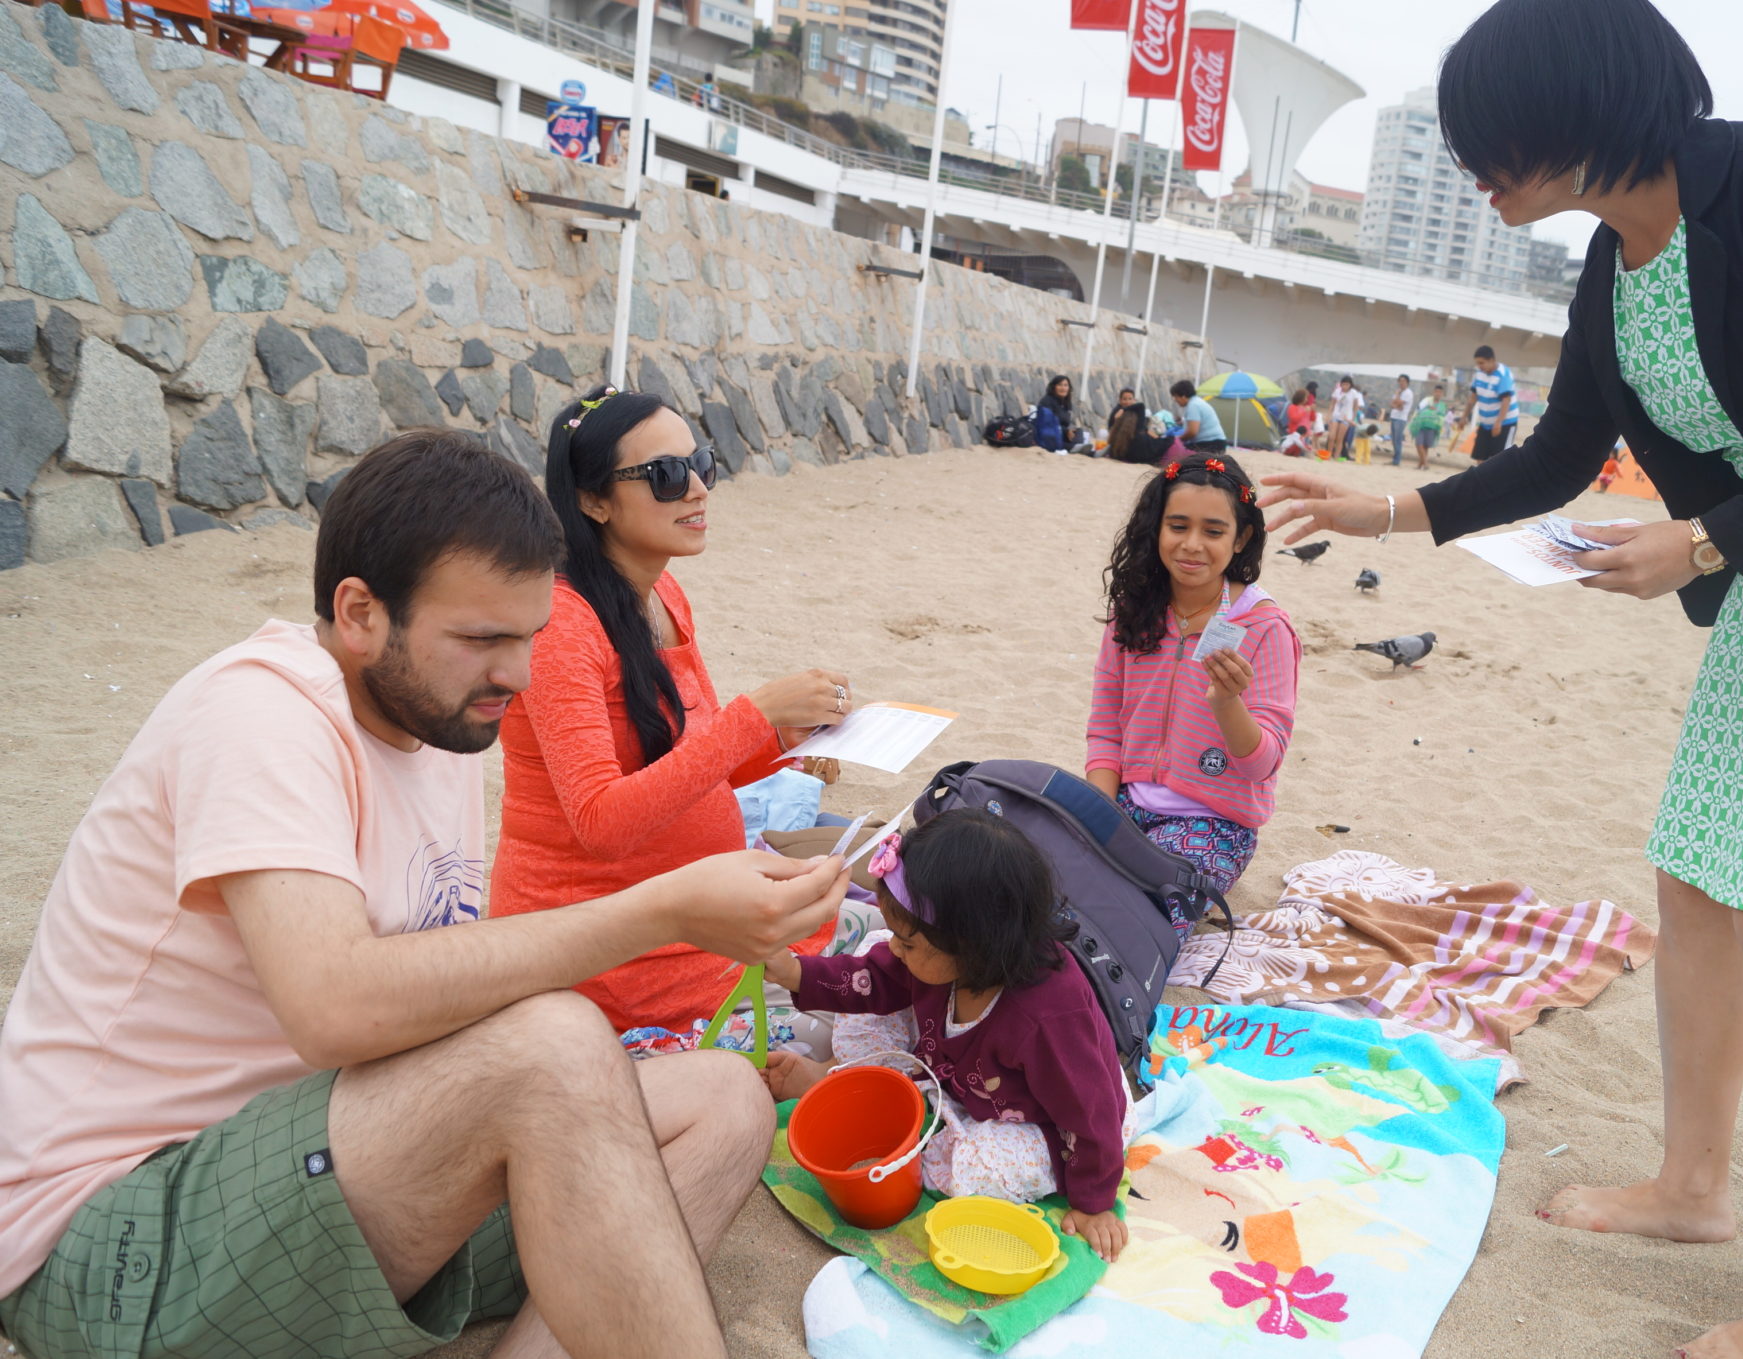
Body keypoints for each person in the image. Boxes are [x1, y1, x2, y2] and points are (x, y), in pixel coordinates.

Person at [1260, 2, 1743, 1353]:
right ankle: (1695, 1186)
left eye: (1489, 143)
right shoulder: (1616, 261)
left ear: (1581, 105)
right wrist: (1383, 508)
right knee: (1696, 873)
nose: (1475, 172)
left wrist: (1701, 536)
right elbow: (1563, 451)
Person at [0, 431, 852, 1359]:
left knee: (724, 1100)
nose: (517, 676)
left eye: (529, 636)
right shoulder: (260, 714)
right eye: (483, 638)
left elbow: (441, 1003)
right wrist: (663, 911)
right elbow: (334, 1005)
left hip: (330, 1174)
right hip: (117, 1243)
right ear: (360, 612)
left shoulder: (434, 722)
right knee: (555, 1047)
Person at [490, 385, 854, 1034]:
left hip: (690, 917)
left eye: (701, 464)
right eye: (665, 475)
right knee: (869, 1001)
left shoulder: (663, 595)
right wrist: (753, 716)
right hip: (618, 957)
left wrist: (782, 739)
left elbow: (687, 762)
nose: (697, 489)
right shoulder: (563, 625)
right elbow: (601, 821)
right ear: (593, 499)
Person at [760, 811, 1131, 1262]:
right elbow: (876, 977)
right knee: (869, 966)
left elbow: (1088, 1112)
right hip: (954, 1072)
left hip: (1048, 1120)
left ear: (973, 944)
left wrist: (1094, 1203)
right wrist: (795, 973)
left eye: (909, 943)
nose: (896, 947)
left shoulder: (1050, 1018)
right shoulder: (946, 956)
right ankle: (864, 1086)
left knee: (974, 1170)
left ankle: (891, 1105)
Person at [1088, 454, 1301, 916]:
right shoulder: (1134, 612)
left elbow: (1262, 765)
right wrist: (1097, 816)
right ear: (1156, 527)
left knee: (1140, 912)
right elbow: (1106, 727)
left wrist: (1227, 703)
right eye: (1178, 526)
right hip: (1125, 806)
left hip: (1215, 825)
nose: (1192, 545)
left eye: (1213, 531)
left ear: (1241, 537)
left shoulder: (1265, 627)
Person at [1465, 344, 1518, 460]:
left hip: (1505, 423)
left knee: (1499, 460)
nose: (1479, 366)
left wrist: (1498, 422)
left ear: (1492, 360)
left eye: (1481, 363)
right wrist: (1464, 417)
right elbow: (1473, 398)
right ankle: (1482, 479)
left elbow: (1506, 400)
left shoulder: (1504, 374)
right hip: (1485, 423)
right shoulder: (1479, 374)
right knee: (1480, 458)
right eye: (1477, 363)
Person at [1107, 387, 1171, 464]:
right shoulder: (1118, 413)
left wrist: (1147, 431)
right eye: (1124, 399)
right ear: (1120, 400)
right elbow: (1141, 406)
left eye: (1130, 399)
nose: (1127, 402)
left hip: (1129, 447)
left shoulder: (1132, 413)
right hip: (1132, 445)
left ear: (1134, 400)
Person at [1169, 379, 1228, 454]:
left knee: (1174, 453)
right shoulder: (1197, 402)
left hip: (1212, 444)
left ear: (1183, 396)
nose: (1175, 400)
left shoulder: (1193, 406)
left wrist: (1177, 439)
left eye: (1176, 397)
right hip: (1217, 443)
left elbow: (1192, 432)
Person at [1034, 375, 1082, 453]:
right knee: (1072, 444)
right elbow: (1049, 423)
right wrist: (1066, 431)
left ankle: (1077, 447)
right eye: (1060, 385)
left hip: (1062, 434)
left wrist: (1069, 430)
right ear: (1054, 387)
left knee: (1079, 432)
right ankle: (1076, 448)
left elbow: (1066, 423)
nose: (1063, 388)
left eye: (1065, 385)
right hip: (1051, 434)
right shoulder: (1047, 401)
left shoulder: (1067, 403)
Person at [1410, 383, 1447, 469]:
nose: (1438, 393)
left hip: (1432, 427)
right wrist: (1428, 409)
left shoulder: (1442, 405)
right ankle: (1426, 463)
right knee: (1418, 444)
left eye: (1440, 392)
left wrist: (1434, 412)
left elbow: (1442, 416)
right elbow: (1419, 409)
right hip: (1421, 425)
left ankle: (1420, 464)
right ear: (1434, 392)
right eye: (1436, 391)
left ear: (1442, 394)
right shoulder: (1427, 401)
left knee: (1426, 446)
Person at [1329, 376, 1365, 461]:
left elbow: (1355, 407)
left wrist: (1352, 419)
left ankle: (1337, 456)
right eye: (1343, 384)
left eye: (1347, 384)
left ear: (1350, 385)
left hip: (1346, 417)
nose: (1345, 386)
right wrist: (1328, 415)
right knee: (1331, 437)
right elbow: (1332, 404)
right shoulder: (1337, 391)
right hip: (1336, 415)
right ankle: (1328, 454)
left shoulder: (1353, 393)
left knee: (1340, 439)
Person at [1387, 374, 1417, 466]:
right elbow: (1392, 404)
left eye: (1403, 381)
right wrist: (1397, 403)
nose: (1401, 383)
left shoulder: (1408, 393)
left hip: (1401, 418)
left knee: (1398, 439)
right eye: (1400, 381)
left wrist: (1396, 397)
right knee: (1394, 439)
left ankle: (1397, 460)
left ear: (1407, 382)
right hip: (1394, 416)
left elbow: (1399, 404)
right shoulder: (1400, 392)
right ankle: (1395, 459)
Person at [1278, 388, 1317, 457]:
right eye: (1305, 398)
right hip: (1295, 435)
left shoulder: (1306, 407)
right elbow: (1294, 419)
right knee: (1295, 452)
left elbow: (1312, 418)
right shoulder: (1293, 407)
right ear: (1300, 397)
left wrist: (1313, 411)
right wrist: (1303, 411)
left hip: (1306, 435)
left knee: (1303, 452)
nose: (1307, 400)